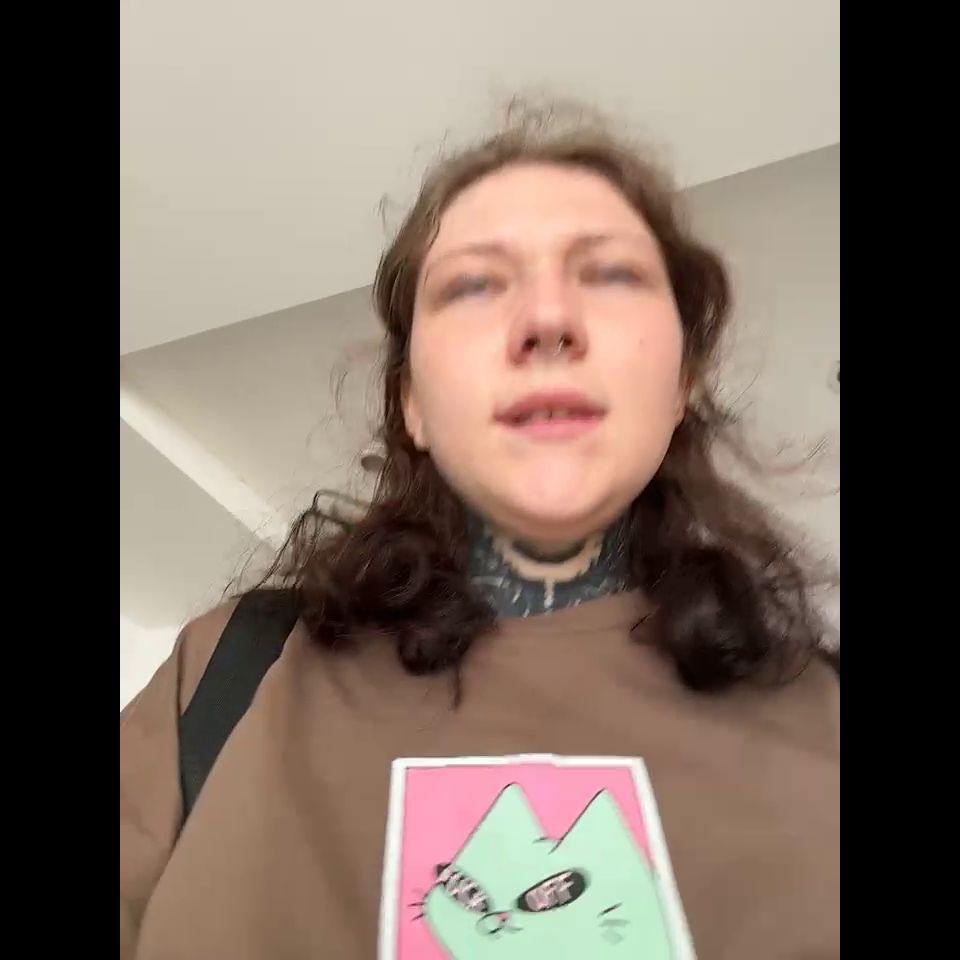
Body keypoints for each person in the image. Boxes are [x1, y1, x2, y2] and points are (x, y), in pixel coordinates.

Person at [120, 105, 839, 959]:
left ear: (681, 380)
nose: (547, 319)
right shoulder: (228, 673)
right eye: (473, 285)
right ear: (412, 404)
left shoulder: (822, 710)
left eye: (611, 273)